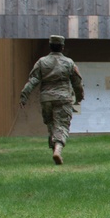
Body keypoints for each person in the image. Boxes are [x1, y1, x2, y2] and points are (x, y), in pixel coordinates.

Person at [19, 34, 84, 165]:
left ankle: (53, 149)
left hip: (46, 98)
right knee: (62, 125)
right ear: (62, 47)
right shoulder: (69, 62)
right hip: (63, 98)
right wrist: (79, 97)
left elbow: (33, 80)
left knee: (51, 124)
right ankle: (58, 150)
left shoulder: (42, 62)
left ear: (50, 46)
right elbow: (77, 82)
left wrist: (24, 96)